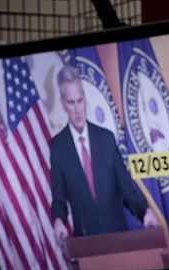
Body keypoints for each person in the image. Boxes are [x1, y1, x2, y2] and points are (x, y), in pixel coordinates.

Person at [49, 66, 158, 240]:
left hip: (118, 235)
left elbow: (126, 189)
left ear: (85, 99)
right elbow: (59, 197)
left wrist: (143, 212)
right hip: (86, 240)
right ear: (63, 104)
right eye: (71, 102)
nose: (78, 109)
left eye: (80, 100)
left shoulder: (106, 139)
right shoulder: (58, 147)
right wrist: (59, 220)